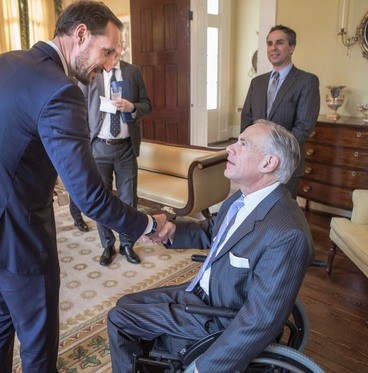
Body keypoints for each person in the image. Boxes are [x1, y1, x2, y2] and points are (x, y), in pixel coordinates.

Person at [0, 2, 165, 372]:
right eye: (107, 51)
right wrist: (146, 225)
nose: (110, 64)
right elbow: (89, 197)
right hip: (16, 237)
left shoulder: (0, 63)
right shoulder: (61, 90)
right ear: (80, 34)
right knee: (38, 340)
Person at [107, 120, 315, 372]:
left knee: (119, 320)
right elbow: (213, 231)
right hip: (201, 292)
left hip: (218, 318)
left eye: (243, 143)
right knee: (126, 304)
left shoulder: (285, 234)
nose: (230, 148)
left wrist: (203, 368)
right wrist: (173, 231)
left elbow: (259, 321)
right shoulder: (242, 198)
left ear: (268, 163)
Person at [70, 43, 152, 266]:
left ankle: (127, 244)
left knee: (128, 199)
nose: (116, 57)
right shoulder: (91, 73)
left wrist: (131, 107)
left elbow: (147, 105)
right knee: (101, 199)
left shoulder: (132, 72)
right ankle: (108, 245)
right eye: (111, 52)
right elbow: (78, 108)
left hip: (126, 147)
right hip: (99, 147)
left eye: (119, 52)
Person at [241, 25, 320, 198]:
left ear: (291, 47)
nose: (273, 48)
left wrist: (276, 154)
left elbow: (304, 126)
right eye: (269, 43)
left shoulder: (307, 81)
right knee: (253, 209)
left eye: (279, 43)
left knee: (280, 215)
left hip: (286, 163)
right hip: (255, 161)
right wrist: (247, 149)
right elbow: (246, 119)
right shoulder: (257, 82)